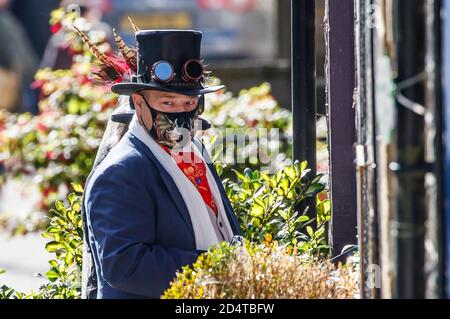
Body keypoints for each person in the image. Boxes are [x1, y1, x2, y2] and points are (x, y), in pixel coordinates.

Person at [80, 26, 242, 299]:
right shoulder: (120, 173)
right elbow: (124, 266)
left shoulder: (196, 151)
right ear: (138, 103)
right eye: (167, 103)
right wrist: (218, 268)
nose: (181, 112)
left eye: (189, 102)